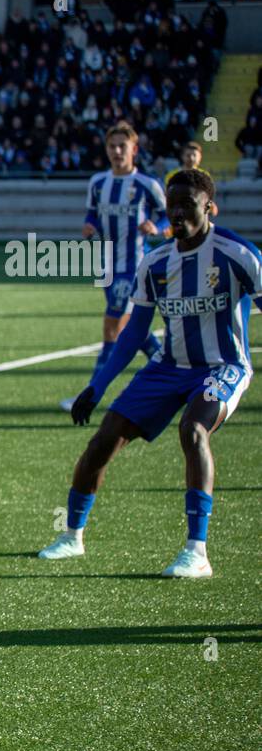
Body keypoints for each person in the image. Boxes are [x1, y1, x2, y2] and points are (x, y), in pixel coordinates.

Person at [39, 169, 261, 577]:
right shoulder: (155, 263)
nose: (176, 213)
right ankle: (72, 536)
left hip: (223, 365)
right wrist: (97, 385)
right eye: (171, 206)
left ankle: (197, 552)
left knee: (193, 430)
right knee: (103, 440)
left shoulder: (239, 254)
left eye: (187, 205)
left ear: (210, 207)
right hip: (167, 367)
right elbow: (134, 334)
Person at [64, 122, 167, 411]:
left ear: (134, 149)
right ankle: (172, 376)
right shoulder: (98, 183)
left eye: (123, 146)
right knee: (134, 333)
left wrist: (157, 227)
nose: (117, 151)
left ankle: (89, 396)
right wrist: (90, 226)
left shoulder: (148, 185)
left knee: (111, 328)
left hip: (134, 268)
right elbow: (93, 213)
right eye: (112, 146)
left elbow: (169, 216)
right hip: (107, 267)